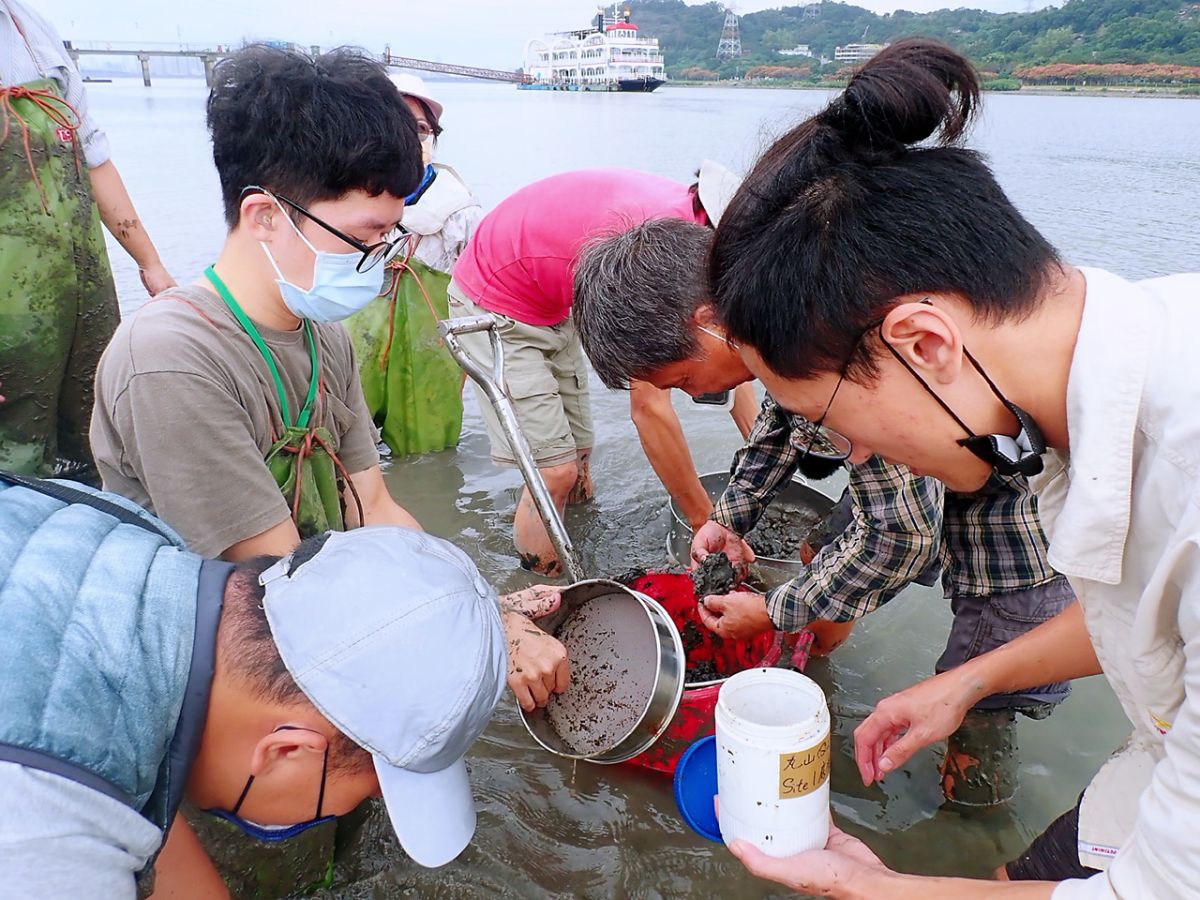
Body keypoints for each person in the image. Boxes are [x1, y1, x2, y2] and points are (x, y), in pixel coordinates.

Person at [707, 37, 1200, 899]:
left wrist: (867, 887)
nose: (856, 456)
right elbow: (1147, 612)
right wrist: (968, 682)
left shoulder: (1182, 471)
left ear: (926, 342)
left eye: (834, 422)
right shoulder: (1100, 378)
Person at [88, 44, 568, 895]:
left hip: (319, 640)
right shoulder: (173, 360)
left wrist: (480, 605)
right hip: (229, 683)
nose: (381, 260)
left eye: (391, 235)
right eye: (367, 237)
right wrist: (488, 638)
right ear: (265, 215)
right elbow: (272, 573)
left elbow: (373, 505)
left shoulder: (323, 338)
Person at [572, 218, 1073, 803]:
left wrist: (773, 611)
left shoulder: (837, 351)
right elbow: (778, 425)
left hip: (1008, 519)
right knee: (825, 554)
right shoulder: (772, 315)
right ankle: (814, 662)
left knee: (981, 694)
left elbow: (903, 540)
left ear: (708, 323)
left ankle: (976, 813)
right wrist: (727, 519)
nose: (691, 396)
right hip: (917, 466)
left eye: (684, 379)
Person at [0, 471, 561, 898]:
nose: (369, 802)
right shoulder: (41, 843)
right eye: (368, 794)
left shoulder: (129, 541)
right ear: (287, 750)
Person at [448, 163, 756, 574]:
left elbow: (734, 354)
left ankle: (578, 540)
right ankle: (545, 587)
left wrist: (768, 456)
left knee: (579, 456)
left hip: (556, 298)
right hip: (495, 298)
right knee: (554, 471)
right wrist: (704, 522)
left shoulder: (705, 240)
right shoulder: (660, 260)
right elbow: (650, 409)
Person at [0, 0, 174, 482]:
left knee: (97, 432)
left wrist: (152, 264)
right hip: (8, 318)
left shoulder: (30, 28)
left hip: (80, 295)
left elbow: (94, 157)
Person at [347, 72, 483, 457]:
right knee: (344, 443)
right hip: (356, 350)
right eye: (395, 124)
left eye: (420, 129)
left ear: (433, 137)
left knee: (429, 455)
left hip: (430, 357)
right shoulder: (338, 203)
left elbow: (480, 296)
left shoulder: (461, 212)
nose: (409, 137)